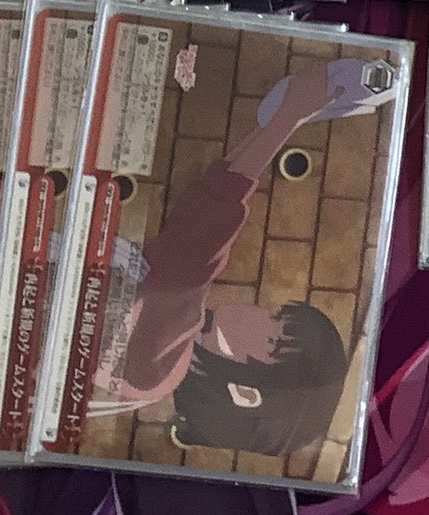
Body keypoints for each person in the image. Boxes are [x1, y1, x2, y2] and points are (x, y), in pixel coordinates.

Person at [90, 58, 365, 454]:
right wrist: (283, 120)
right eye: (276, 315)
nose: (260, 313)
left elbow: (199, 238)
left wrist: (288, 118)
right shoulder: (155, 374)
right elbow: (207, 209)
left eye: (271, 336)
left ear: (245, 393)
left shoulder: (156, 367)